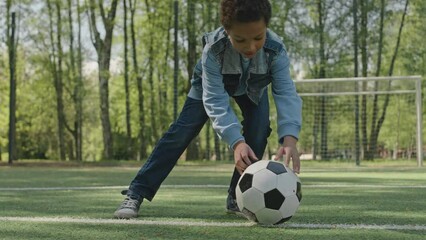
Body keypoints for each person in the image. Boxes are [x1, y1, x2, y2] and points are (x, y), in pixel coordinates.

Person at [114, 0, 302, 219]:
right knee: (181, 133)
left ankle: (236, 197)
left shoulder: (276, 49)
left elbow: (286, 92)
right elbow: (215, 99)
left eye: (258, 38)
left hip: (253, 89)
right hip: (208, 87)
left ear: (266, 28)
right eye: (240, 39)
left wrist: (289, 138)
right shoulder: (213, 50)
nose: (250, 47)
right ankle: (136, 192)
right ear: (227, 30)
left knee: (259, 130)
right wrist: (236, 142)